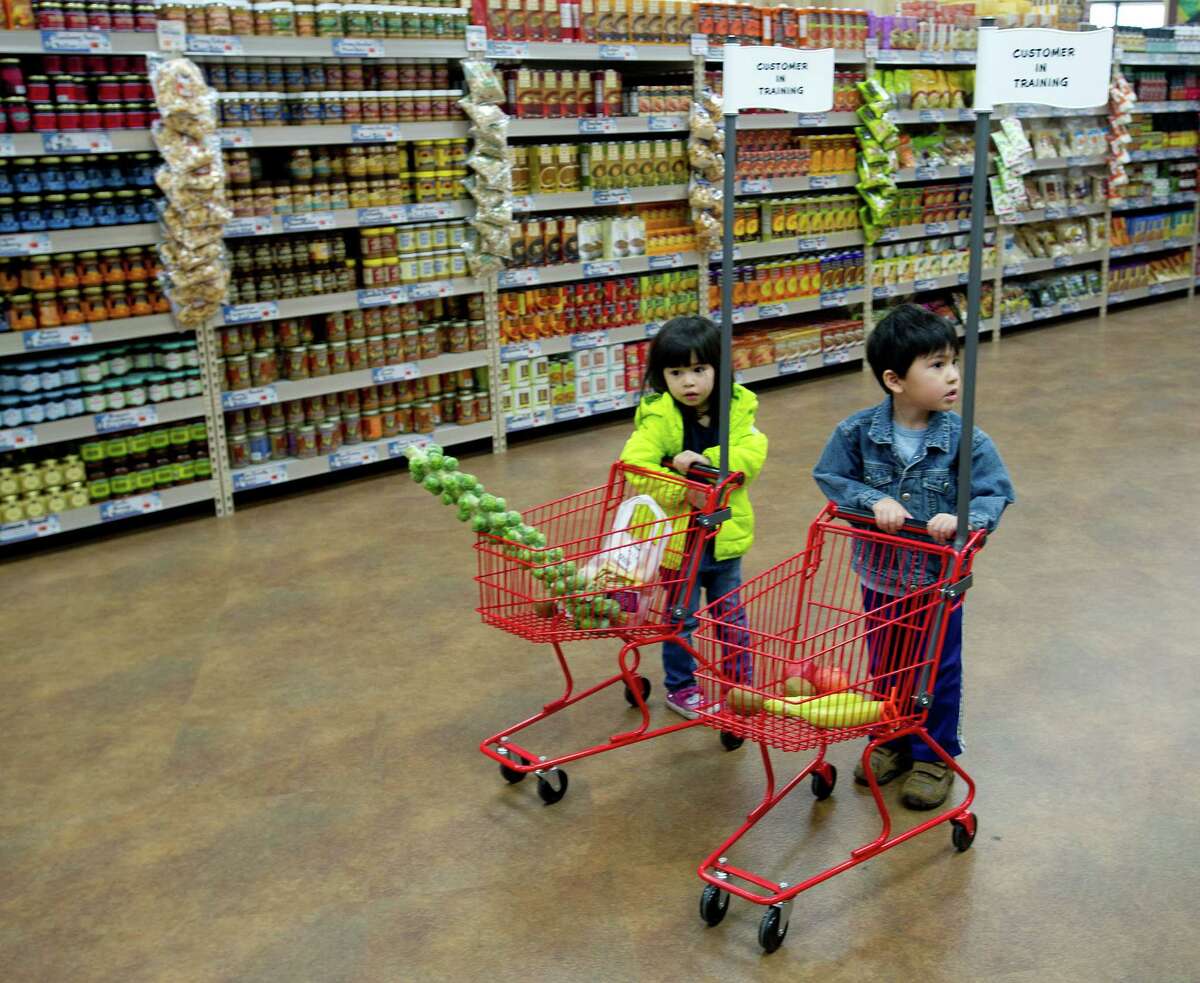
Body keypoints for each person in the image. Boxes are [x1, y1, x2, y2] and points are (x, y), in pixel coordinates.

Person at [812, 303, 1015, 809]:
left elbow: (994, 492)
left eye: (953, 362)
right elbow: (832, 477)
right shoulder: (856, 434)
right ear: (894, 379)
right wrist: (872, 500)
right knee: (886, 665)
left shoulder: (967, 440)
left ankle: (934, 754)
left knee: (937, 668)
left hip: (938, 579)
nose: (952, 376)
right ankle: (892, 741)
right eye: (936, 365)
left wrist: (965, 520)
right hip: (879, 575)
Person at [619, 315, 768, 719]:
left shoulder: (738, 408)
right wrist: (681, 488)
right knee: (679, 619)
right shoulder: (659, 416)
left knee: (731, 616)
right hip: (678, 541)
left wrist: (706, 463)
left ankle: (741, 685)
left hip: (724, 535)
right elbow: (635, 464)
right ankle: (681, 687)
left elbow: (751, 457)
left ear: (720, 369)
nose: (689, 382)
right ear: (660, 376)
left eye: (700, 370)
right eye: (676, 372)